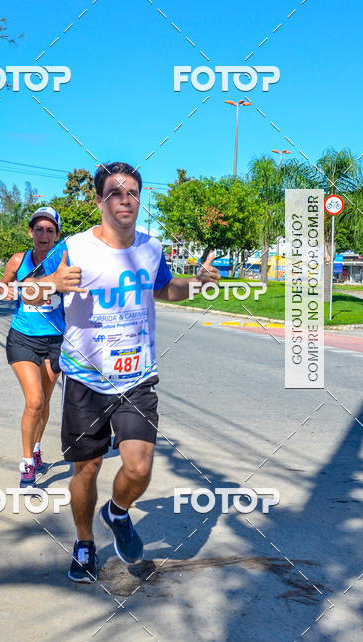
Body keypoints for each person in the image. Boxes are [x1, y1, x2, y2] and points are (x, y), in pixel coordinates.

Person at [25, 163, 220, 582]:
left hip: (137, 376)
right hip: (85, 378)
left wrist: (199, 283)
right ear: (100, 201)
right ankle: (83, 541)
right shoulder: (73, 248)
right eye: (115, 192)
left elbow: (165, 289)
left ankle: (117, 513)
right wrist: (54, 283)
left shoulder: (151, 248)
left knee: (138, 467)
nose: (124, 199)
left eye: (132, 192)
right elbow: (29, 290)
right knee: (87, 470)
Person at [0, 206, 67, 488]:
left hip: (54, 340)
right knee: (35, 401)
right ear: (30, 232)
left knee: (45, 403)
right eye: (39, 229)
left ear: (57, 235)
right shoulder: (18, 260)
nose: (44, 234)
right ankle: (28, 463)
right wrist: (14, 289)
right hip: (22, 338)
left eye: (50, 230)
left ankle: (37, 447)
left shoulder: (64, 262)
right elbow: (0, 289)